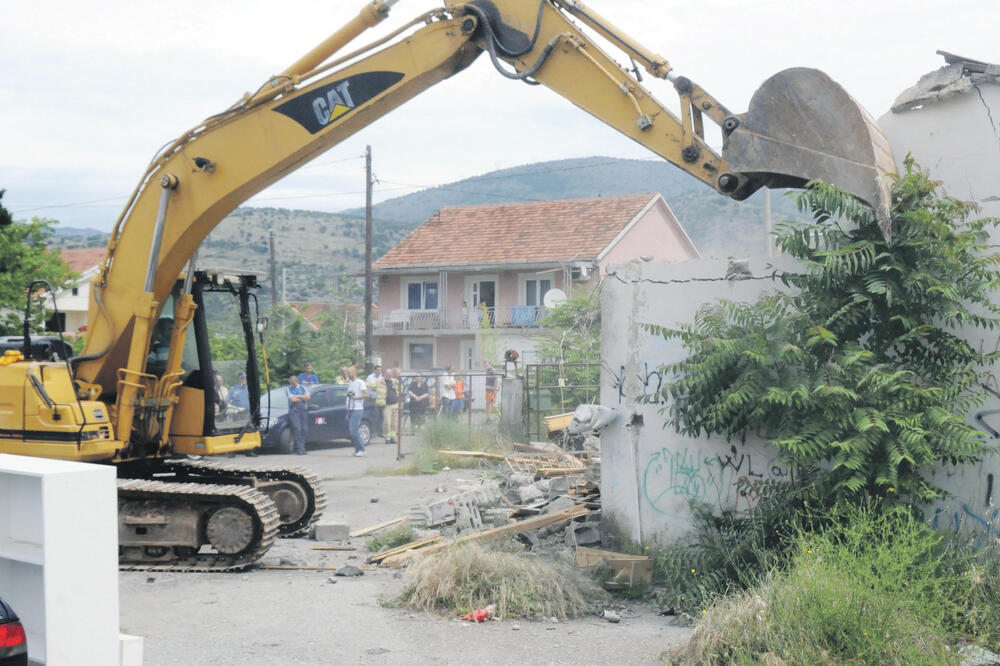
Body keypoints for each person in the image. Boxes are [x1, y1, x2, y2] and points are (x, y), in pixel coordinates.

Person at [346, 366, 370, 456]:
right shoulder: (351, 383)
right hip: (350, 409)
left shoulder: (360, 382)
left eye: (349, 372)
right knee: (351, 431)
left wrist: (356, 397)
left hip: (357, 409)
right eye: (347, 373)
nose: (347, 374)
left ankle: (362, 449)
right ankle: (357, 450)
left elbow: (366, 394)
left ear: (354, 372)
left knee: (353, 430)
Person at [285, 374, 310, 455]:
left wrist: (298, 396)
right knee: (297, 428)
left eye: (293, 382)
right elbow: (292, 399)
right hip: (294, 410)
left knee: (304, 429)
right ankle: (299, 449)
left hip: (302, 410)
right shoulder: (288, 389)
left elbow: (308, 397)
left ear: (296, 381)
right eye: (291, 383)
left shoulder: (302, 387)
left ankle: (303, 448)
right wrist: (302, 397)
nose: (292, 384)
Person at [366, 365, 386, 437]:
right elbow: (370, 387)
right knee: (374, 415)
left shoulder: (382, 377)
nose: (379, 372)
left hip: (380, 400)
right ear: (374, 370)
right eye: (378, 370)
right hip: (372, 399)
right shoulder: (370, 377)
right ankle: (373, 432)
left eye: (380, 370)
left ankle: (380, 432)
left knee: (381, 416)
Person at [383, 369, 401, 444]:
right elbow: (371, 384)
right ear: (385, 374)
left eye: (390, 374)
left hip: (395, 404)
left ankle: (393, 437)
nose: (389, 376)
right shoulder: (381, 381)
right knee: (387, 422)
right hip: (387, 405)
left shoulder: (394, 381)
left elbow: (400, 388)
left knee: (395, 422)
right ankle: (387, 437)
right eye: (387, 374)